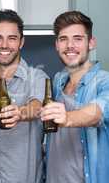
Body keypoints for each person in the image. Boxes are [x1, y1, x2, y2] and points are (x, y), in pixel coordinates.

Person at [0, 9, 48, 183]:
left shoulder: (37, 77)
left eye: (12, 38)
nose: (4, 45)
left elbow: (37, 107)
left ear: (21, 42)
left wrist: (19, 113)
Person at [41, 11, 109, 183]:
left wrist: (68, 118)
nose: (70, 45)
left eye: (78, 38)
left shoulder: (104, 81)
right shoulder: (58, 80)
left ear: (91, 43)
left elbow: (97, 112)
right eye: (63, 39)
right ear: (57, 45)